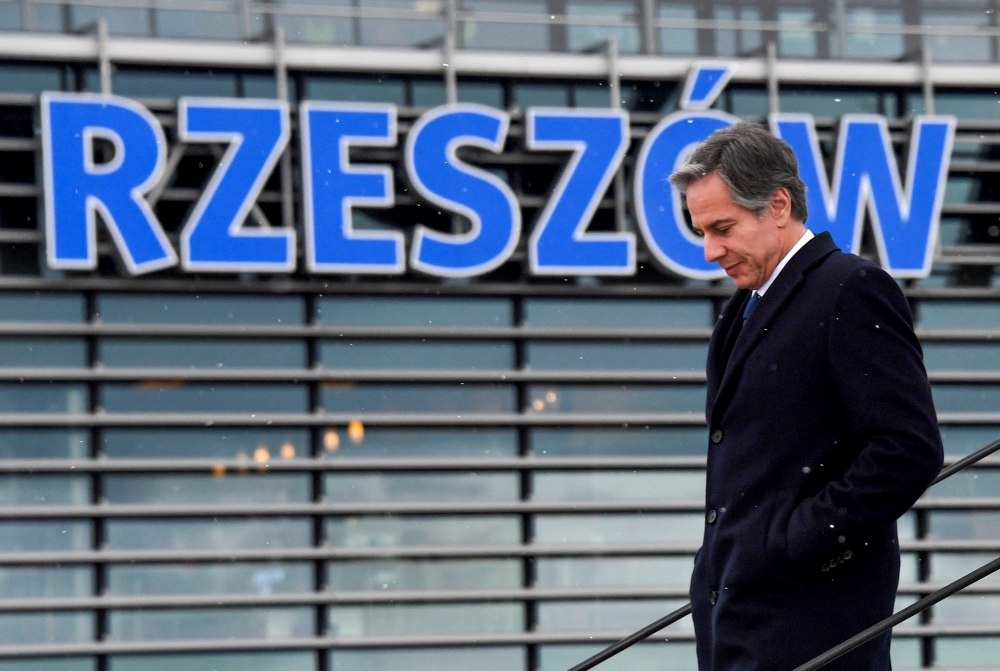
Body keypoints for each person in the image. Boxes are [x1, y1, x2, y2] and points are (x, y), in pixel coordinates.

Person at [668, 121, 944, 671]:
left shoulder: (851, 288)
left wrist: (792, 544)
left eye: (721, 227)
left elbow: (907, 449)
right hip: (742, 626)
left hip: (813, 628)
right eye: (701, 231)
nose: (709, 251)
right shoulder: (741, 313)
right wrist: (717, 568)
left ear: (777, 205)